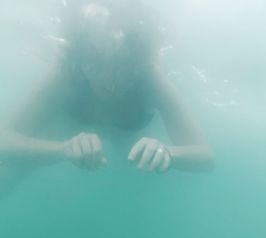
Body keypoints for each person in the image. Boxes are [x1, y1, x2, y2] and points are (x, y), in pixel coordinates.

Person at [0, 0, 214, 174]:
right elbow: (5, 141)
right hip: (67, 131)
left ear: (139, 61)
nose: (108, 79)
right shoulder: (66, 72)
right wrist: (62, 150)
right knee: (15, 171)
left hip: (126, 145)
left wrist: (167, 153)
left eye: (123, 66)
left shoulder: (150, 77)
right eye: (96, 63)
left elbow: (204, 156)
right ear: (80, 57)